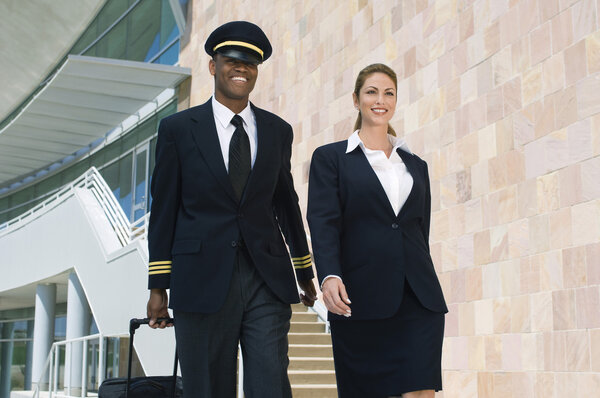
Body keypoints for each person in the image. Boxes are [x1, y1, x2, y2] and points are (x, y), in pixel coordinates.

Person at [145, 21, 317, 398]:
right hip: (200, 278)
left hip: (265, 278)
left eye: (250, 63)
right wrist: (159, 285)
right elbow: (164, 210)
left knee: (271, 384)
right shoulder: (177, 129)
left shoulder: (277, 131)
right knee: (207, 387)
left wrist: (304, 270)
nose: (241, 69)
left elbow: (286, 204)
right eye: (232, 60)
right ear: (212, 66)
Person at [307, 63, 448, 398]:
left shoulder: (415, 164)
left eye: (389, 93)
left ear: (396, 101)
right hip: (361, 298)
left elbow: (418, 231)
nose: (380, 99)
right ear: (356, 100)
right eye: (371, 91)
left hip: (418, 297)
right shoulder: (331, 159)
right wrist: (329, 275)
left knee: (420, 392)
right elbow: (323, 222)